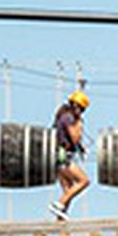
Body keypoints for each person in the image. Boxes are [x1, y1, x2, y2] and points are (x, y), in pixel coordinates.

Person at [50, 90, 90, 220]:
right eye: (82, 110)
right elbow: (74, 138)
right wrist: (79, 125)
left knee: (68, 189)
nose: (82, 113)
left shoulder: (63, 116)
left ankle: (60, 218)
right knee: (84, 181)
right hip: (63, 157)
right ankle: (59, 204)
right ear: (77, 106)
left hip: (57, 156)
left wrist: (81, 148)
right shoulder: (69, 118)